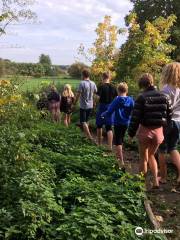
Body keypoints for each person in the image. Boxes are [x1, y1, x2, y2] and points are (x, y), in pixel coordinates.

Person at [128, 73, 172, 188]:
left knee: (143, 157)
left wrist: (131, 133)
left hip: (145, 131)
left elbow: (135, 117)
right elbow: (169, 115)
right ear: (152, 82)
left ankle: (141, 184)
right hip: (158, 131)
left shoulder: (141, 97)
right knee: (152, 155)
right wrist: (166, 129)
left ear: (142, 85)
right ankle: (156, 182)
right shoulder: (165, 96)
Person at [102, 82, 134, 169]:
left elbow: (110, 110)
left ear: (118, 90)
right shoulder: (131, 100)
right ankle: (118, 158)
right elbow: (133, 111)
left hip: (118, 123)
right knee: (121, 140)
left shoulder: (117, 99)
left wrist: (103, 115)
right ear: (126, 90)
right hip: (126, 122)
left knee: (118, 142)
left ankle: (121, 162)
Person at [159, 62, 180, 184]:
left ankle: (163, 177)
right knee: (173, 148)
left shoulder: (166, 90)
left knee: (162, 149)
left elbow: (163, 110)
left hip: (168, 122)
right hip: (179, 122)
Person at [96, 72, 117, 150]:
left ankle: (99, 144)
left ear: (103, 77)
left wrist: (95, 103)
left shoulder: (101, 86)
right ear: (110, 77)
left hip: (102, 107)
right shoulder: (113, 87)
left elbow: (97, 98)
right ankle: (110, 147)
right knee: (109, 127)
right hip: (110, 108)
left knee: (99, 126)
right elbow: (116, 98)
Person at [74, 69, 97, 140]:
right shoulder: (93, 83)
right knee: (87, 121)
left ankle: (90, 137)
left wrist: (74, 102)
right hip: (90, 105)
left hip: (83, 105)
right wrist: (94, 101)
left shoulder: (82, 83)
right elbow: (95, 92)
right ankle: (86, 136)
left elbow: (78, 94)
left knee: (83, 121)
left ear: (83, 75)